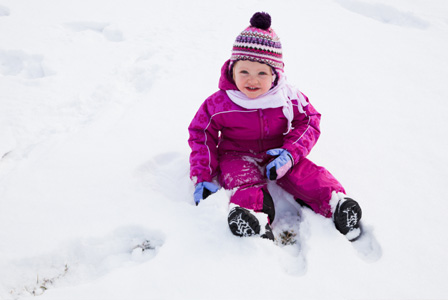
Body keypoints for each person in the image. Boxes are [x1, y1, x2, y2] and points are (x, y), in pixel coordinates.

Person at [188, 12, 362, 242]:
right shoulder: (220, 102)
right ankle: (251, 217)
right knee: (243, 182)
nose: (253, 80)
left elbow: (310, 121)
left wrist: (290, 154)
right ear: (232, 70)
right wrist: (203, 175)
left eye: (262, 73)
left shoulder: (287, 98)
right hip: (235, 154)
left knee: (305, 174)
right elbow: (201, 134)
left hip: (278, 151)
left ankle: (338, 204)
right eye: (244, 72)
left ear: (275, 74)